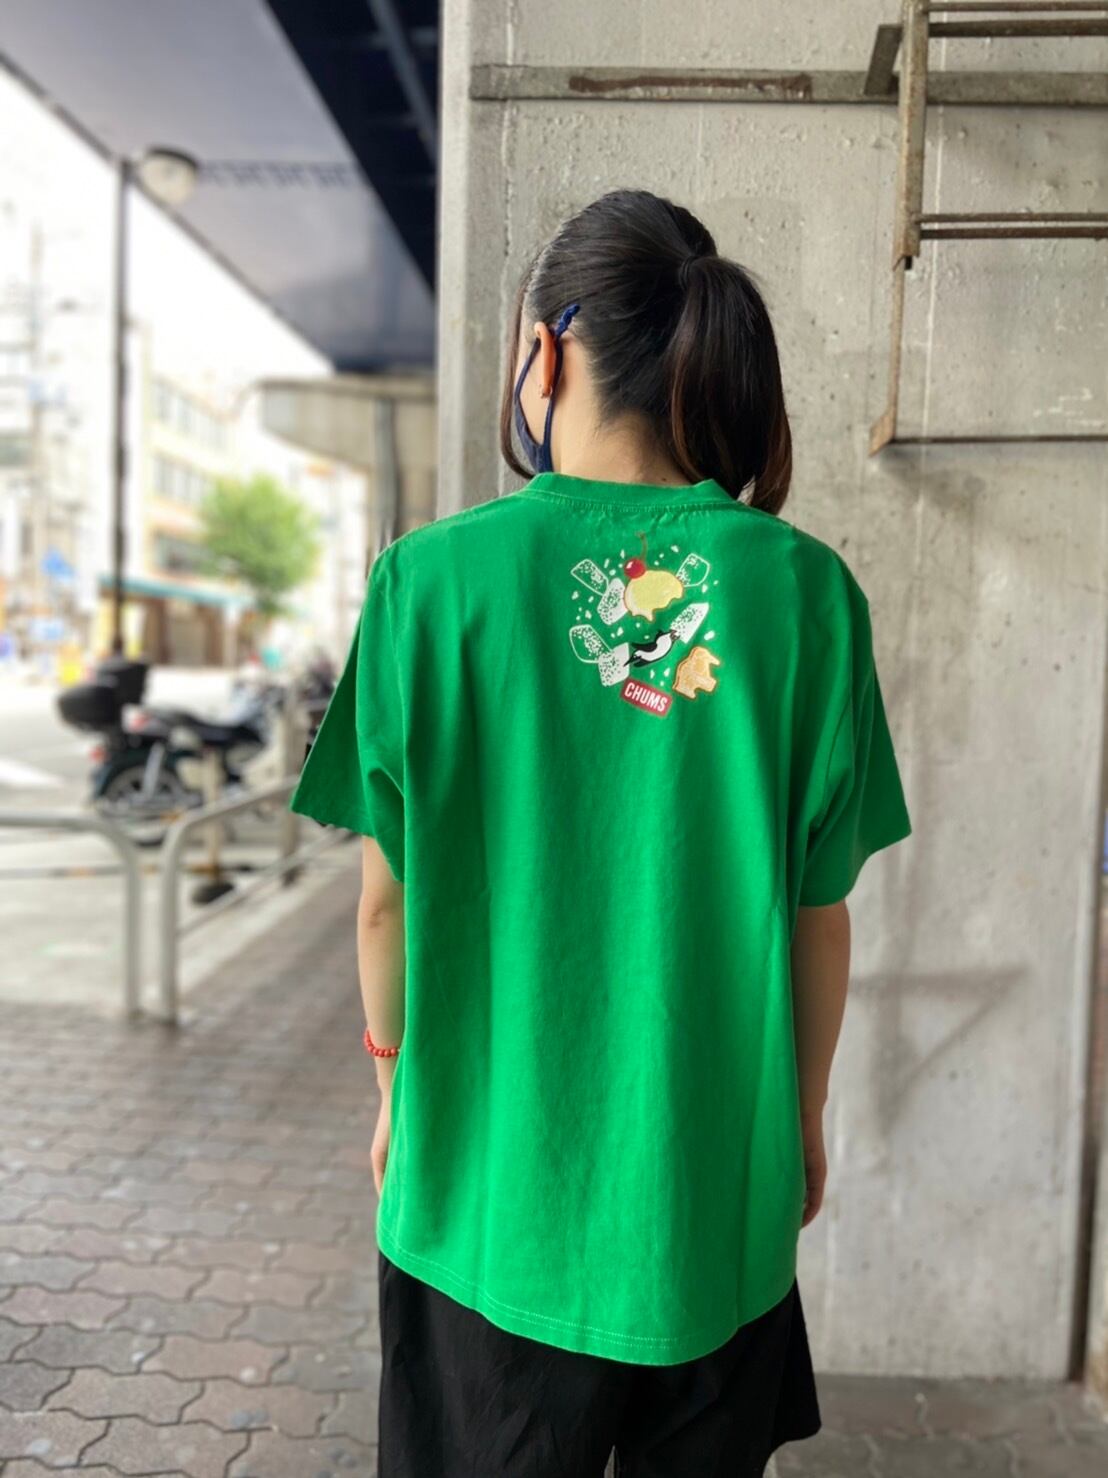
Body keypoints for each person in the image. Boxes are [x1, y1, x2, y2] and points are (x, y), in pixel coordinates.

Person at [288, 187, 912, 1478]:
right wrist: (800, 1122)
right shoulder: (810, 600)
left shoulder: (426, 585)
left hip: (488, 1209)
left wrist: (399, 1090)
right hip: (711, 1211)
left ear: (547, 349)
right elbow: (819, 918)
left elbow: (386, 906)